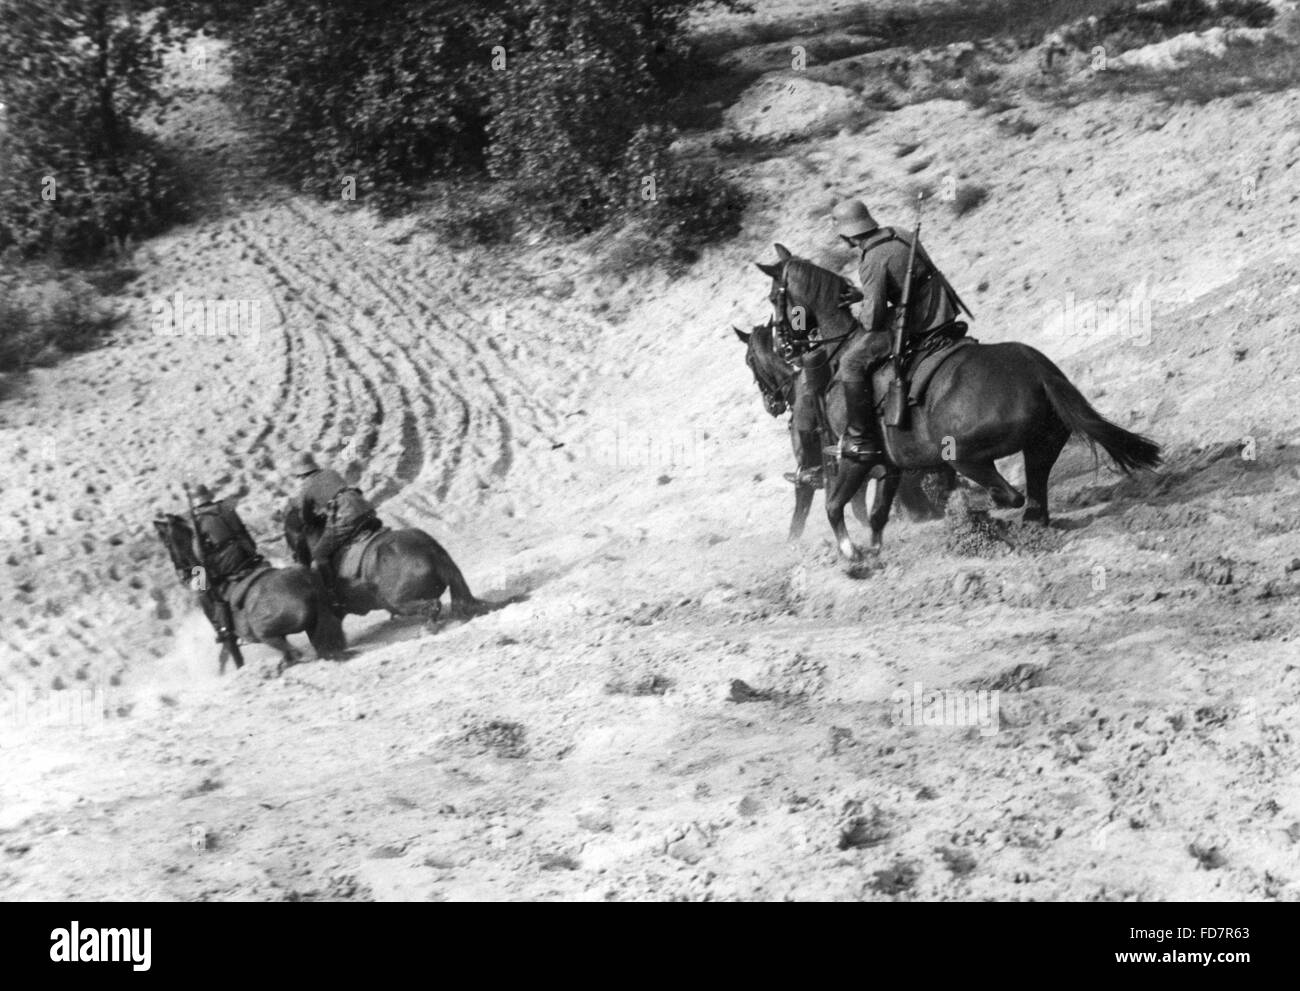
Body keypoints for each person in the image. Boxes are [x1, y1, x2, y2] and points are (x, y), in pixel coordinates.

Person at [829, 198, 966, 464]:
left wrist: (864, 310)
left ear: (847, 234)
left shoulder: (870, 260)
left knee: (851, 362)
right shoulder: (899, 232)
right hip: (943, 306)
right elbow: (906, 277)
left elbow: (874, 318)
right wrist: (864, 294)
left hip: (917, 320)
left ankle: (860, 438)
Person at [288, 452, 380, 608]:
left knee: (319, 554)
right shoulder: (331, 472)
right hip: (365, 509)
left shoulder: (306, 488)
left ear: (300, 473)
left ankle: (333, 594)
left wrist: (317, 518)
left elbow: (306, 518)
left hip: (346, 517)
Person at [190, 484, 265, 641]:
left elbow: (198, 553)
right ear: (208, 496)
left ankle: (224, 628)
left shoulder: (199, 520)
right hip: (247, 553)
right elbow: (242, 530)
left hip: (227, 563)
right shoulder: (226, 507)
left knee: (202, 591)